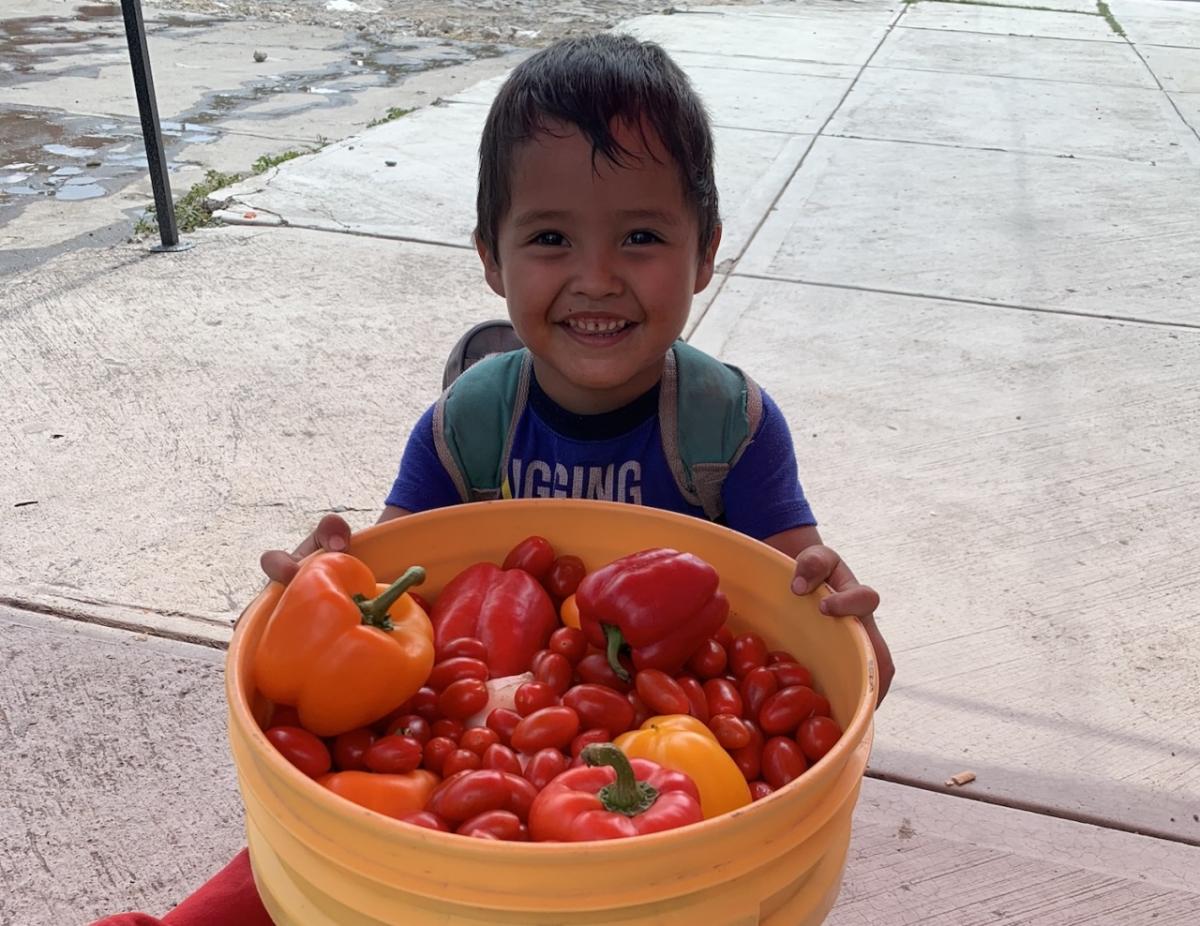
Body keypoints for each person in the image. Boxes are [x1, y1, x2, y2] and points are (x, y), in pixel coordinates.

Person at [94, 31, 892, 926]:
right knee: (299, 854)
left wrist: (848, 614)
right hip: (470, 777)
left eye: (641, 236)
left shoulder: (730, 430)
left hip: (656, 842)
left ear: (705, 254)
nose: (597, 278)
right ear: (490, 258)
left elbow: (831, 674)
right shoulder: (469, 422)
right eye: (551, 237)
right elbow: (393, 587)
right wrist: (322, 584)